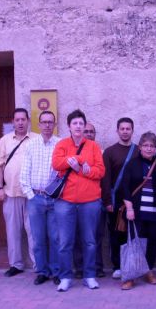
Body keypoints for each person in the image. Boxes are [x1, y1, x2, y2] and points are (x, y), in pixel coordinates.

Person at [52, 109, 105, 292]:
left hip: (90, 201)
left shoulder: (94, 146)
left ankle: (89, 275)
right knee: (65, 241)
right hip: (65, 201)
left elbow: (100, 172)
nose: (78, 126)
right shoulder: (61, 144)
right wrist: (73, 160)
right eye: (74, 123)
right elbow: (56, 164)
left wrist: (83, 167)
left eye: (81, 123)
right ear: (69, 126)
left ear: (84, 126)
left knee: (89, 241)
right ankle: (65, 277)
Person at [119, 132, 156, 290]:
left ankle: (148, 271)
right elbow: (125, 188)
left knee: (152, 242)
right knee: (137, 243)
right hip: (137, 212)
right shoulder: (132, 164)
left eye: (152, 146)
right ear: (140, 147)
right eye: (146, 145)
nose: (149, 149)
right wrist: (129, 208)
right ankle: (132, 276)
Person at [0, 108, 38, 278]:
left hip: (32, 194)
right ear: (13, 121)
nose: (20, 122)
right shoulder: (4, 140)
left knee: (33, 231)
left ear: (28, 121)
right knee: (12, 231)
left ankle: (38, 264)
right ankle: (16, 264)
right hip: (10, 193)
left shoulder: (36, 139)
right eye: (17, 120)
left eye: (23, 119)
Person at [19, 110, 61, 286]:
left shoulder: (60, 145)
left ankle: (56, 271)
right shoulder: (31, 145)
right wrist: (31, 195)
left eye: (50, 122)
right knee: (38, 238)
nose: (47, 125)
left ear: (55, 124)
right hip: (35, 198)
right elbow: (24, 174)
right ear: (38, 123)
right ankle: (42, 271)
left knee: (55, 237)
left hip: (54, 200)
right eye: (44, 122)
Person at [100, 117, 139, 279]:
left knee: (134, 234)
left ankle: (134, 264)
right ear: (117, 131)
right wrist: (108, 201)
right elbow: (106, 178)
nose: (125, 131)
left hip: (135, 200)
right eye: (122, 129)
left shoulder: (138, 150)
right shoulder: (109, 152)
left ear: (132, 130)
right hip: (116, 201)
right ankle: (117, 265)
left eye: (128, 129)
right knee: (116, 234)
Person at [73, 121, 106, 278]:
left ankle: (97, 268)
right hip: (77, 200)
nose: (88, 134)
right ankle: (80, 269)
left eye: (91, 131)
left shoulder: (100, 151)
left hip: (95, 200)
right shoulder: (75, 152)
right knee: (79, 236)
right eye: (86, 131)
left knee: (96, 236)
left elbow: (102, 174)